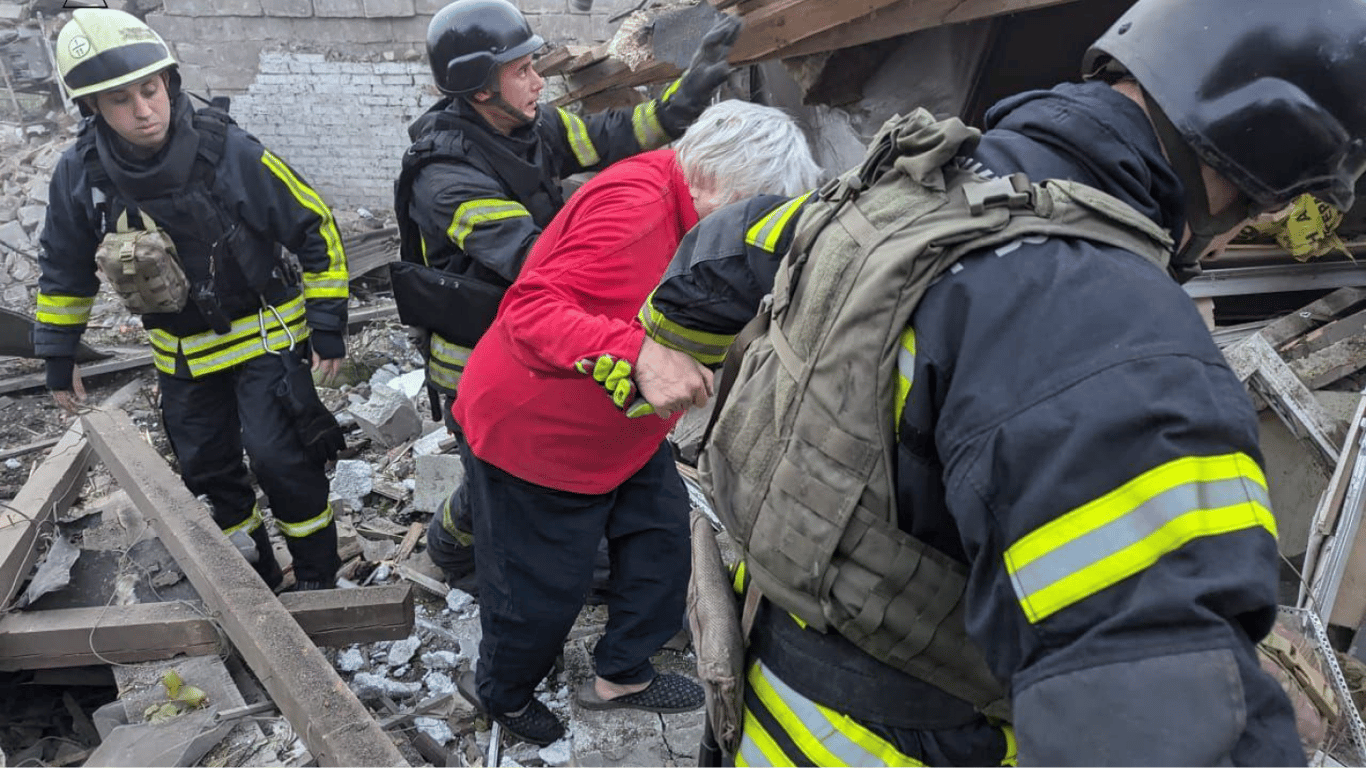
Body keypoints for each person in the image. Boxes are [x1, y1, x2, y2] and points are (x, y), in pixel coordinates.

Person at [638, 0, 1366, 765]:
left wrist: (666, 340)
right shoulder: (1106, 328)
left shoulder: (900, 193)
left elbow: (736, 235)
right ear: (1276, 164)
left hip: (757, 707)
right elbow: (1154, 715)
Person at [449, 99, 821, 747]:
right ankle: (502, 692)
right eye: (751, 210)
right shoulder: (637, 213)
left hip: (621, 425)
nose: (750, 231)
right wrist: (641, 355)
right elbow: (529, 312)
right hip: (537, 431)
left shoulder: (686, 197)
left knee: (659, 543)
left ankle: (621, 673)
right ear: (714, 182)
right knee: (541, 591)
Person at [395, 0, 744, 592]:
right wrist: (636, 240)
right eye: (522, 70)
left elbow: (616, 134)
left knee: (505, 475)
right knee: (502, 478)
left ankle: (468, 536)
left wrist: (687, 96)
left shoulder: (530, 129)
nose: (538, 80)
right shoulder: (445, 177)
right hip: (478, 360)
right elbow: (539, 262)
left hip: (543, 337)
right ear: (479, 89)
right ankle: (458, 555)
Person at [36, 9, 349, 591]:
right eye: (121, 101)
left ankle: (319, 583)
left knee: (283, 462)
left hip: (264, 337)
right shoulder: (80, 175)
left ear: (169, 82)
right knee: (209, 474)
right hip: (183, 358)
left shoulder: (227, 151)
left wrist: (327, 323)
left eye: (149, 90)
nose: (143, 110)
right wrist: (58, 354)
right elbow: (63, 266)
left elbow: (315, 225)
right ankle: (256, 582)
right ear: (93, 109)